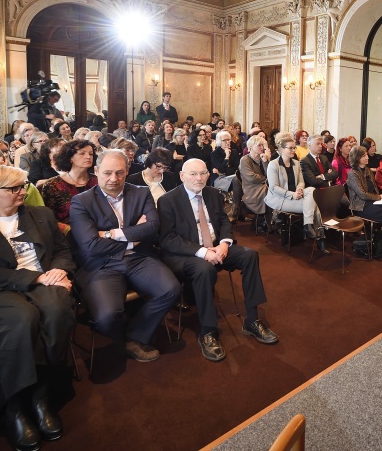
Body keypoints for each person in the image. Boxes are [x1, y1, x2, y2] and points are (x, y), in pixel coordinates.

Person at [0, 165, 75, 451]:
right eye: (13, 189)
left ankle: (40, 395)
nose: (22, 192)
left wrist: (59, 271)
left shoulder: (42, 215)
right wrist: (36, 277)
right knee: (23, 318)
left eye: (22, 186)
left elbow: (62, 251)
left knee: (56, 312)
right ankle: (17, 404)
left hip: (46, 281)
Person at [158, 159, 278, 362]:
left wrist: (224, 243)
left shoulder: (213, 193)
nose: (199, 178)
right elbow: (168, 239)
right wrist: (202, 252)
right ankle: (208, 330)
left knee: (250, 255)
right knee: (205, 269)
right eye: (193, 174)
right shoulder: (168, 200)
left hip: (216, 246)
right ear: (182, 176)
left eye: (203, 173)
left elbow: (223, 220)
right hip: (187, 254)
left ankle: (251, 319)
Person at [69, 149, 181, 362]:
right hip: (101, 265)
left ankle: (135, 337)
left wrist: (111, 234)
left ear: (127, 170)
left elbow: (153, 227)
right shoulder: (81, 202)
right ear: (96, 171)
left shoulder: (141, 192)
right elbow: (91, 246)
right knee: (106, 317)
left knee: (170, 290)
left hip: (139, 258)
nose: (114, 179)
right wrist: (133, 235)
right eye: (107, 173)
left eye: (120, 173)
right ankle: (120, 334)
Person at [265, 134, 329, 254]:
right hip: (280, 199)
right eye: (291, 148)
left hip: (296, 195)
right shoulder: (273, 164)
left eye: (294, 148)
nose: (294, 150)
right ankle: (320, 239)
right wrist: (292, 194)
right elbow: (274, 188)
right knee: (315, 207)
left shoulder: (296, 163)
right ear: (282, 149)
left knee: (311, 190)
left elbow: (301, 181)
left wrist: (299, 189)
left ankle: (308, 225)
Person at [39, 140, 98, 228]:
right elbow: (49, 217)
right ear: (70, 158)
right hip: (66, 234)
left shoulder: (98, 181)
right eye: (82, 153)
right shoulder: (52, 185)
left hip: (99, 229)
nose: (88, 157)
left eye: (91, 154)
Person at [210, 130, 243, 220]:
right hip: (219, 179)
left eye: (229, 140)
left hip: (231, 177)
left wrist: (224, 171)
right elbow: (220, 169)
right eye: (224, 140)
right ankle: (236, 208)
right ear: (219, 142)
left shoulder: (235, 152)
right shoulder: (214, 153)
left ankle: (236, 206)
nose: (227, 142)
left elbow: (237, 168)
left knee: (238, 179)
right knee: (237, 180)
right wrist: (226, 157)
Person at [238, 134, 269, 228]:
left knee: (274, 190)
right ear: (251, 147)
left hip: (262, 185)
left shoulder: (262, 158)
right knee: (270, 191)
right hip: (251, 188)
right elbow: (251, 178)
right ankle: (263, 220)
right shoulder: (245, 160)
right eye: (259, 145)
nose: (262, 148)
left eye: (263, 145)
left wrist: (265, 162)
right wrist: (265, 179)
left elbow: (270, 174)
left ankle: (269, 219)